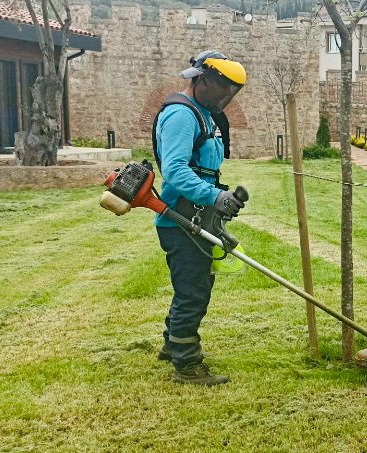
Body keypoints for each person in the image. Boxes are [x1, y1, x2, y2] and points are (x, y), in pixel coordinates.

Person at [153, 50, 247, 386]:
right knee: (193, 291)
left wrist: (219, 202)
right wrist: (215, 196)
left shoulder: (204, 114)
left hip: (198, 214)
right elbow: (176, 171)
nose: (227, 96)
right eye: (222, 88)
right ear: (201, 78)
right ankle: (187, 365)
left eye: (232, 91)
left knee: (193, 286)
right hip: (180, 216)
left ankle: (172, 344)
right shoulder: (181, 115)